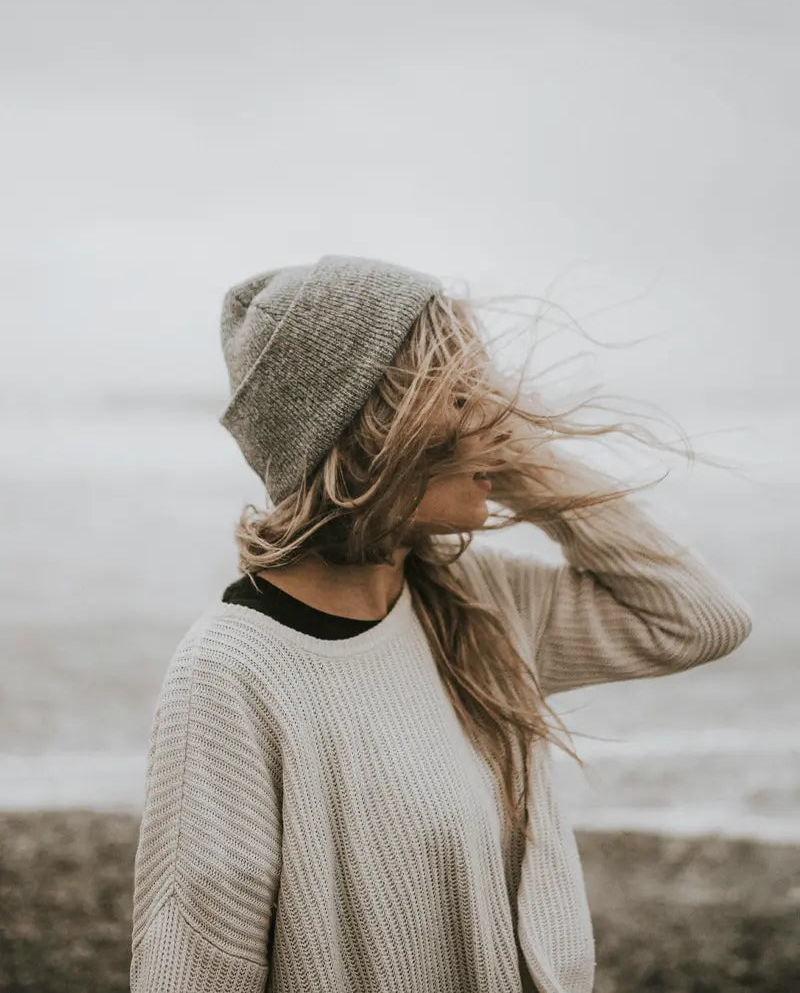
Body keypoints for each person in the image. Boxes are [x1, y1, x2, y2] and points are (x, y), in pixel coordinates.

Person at [129, 254, 753, 993]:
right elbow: (198, 964)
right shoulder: (234, 672)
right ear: (367, 433)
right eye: (457, 398)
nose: (499, 417)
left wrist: (514, 458)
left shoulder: (480, 601)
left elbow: (699, 618)